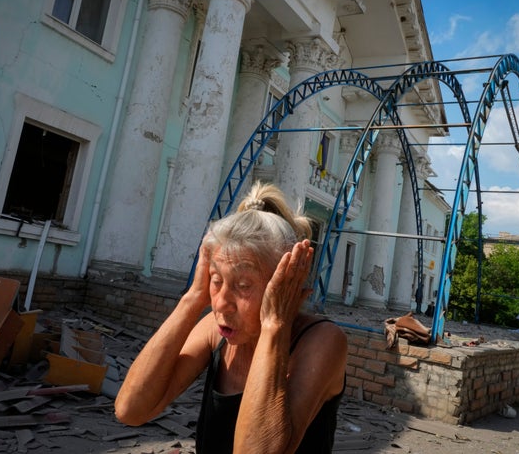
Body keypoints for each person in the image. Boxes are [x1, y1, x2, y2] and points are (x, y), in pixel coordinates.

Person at [115, 181, 348, 453]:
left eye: (243, 285)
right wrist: (193, 297)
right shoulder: (215, 331)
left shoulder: (322, 341)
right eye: (216, 280)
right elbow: (130, 410)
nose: (222, 304)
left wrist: (275, 325)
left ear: (285, 283)